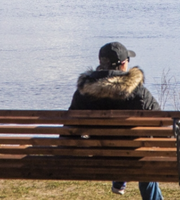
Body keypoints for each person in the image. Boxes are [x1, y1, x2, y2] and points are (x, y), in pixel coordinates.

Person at [69, 42, 163, 200]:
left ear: (101, 63)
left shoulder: (83, 92)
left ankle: (120, 180)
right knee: (145, 149)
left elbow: (70, 127)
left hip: (99, 155)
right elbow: (161, 123)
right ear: (124, 64)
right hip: (134, 156)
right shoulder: (138, 92)